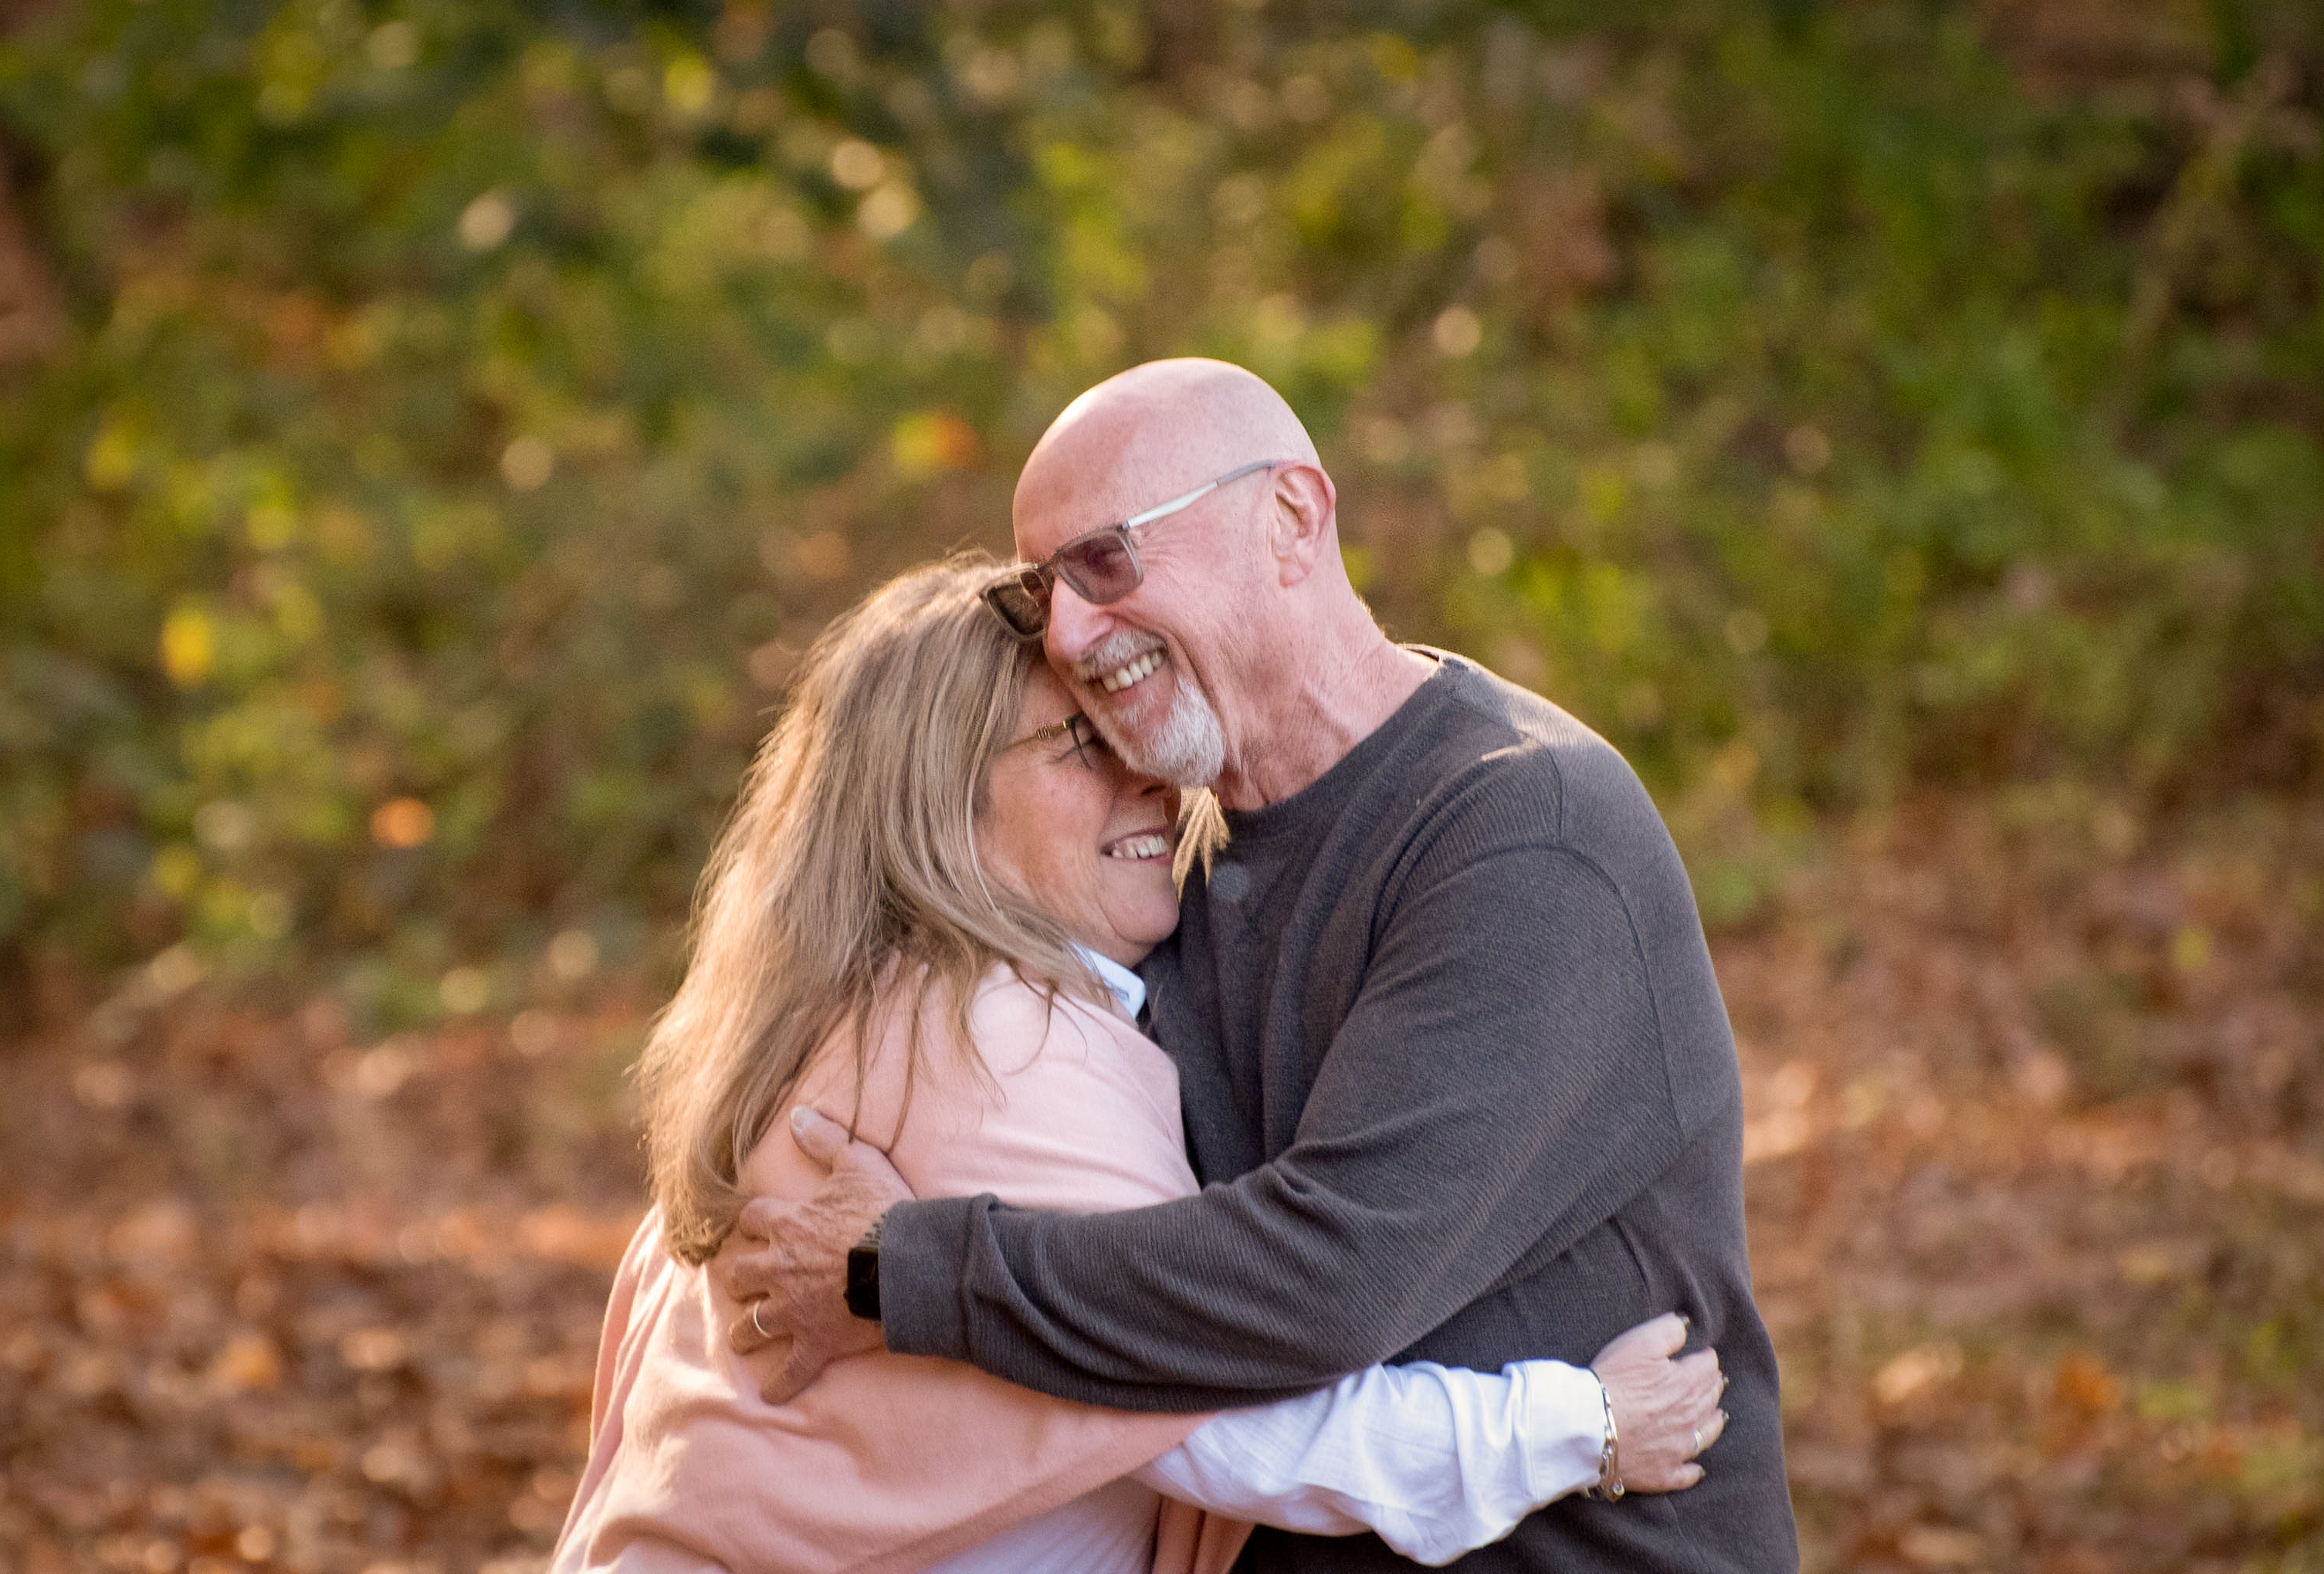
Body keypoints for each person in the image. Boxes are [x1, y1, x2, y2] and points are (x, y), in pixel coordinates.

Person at [724, 361, 1801, 1570]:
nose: (1069, 633)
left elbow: (1324, 1278)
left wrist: (907, 1271)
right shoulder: (1155, 868)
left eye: (1106, 561)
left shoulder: (1522, 831)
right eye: (1040, 592)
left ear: (1290, 518)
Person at [552, 557, 1726, 1573]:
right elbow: (1218, 1408)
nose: (1147, 775)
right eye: (1079, 745)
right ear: (937, 805)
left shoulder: (846, 1012)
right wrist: (1576, 1424)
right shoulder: (993, 1043)